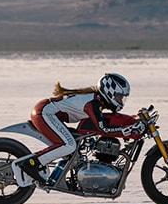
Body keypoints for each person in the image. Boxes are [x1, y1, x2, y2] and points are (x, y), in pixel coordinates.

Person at [11, 73, 144, 187]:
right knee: (68, 145)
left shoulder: (96, 101)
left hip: (47, 112)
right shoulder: (93, 103)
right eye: (119, 97)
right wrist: (128, 130)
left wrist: (132, 120)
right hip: (45, 113)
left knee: (73, 144)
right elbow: (104, 129)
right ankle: (30, 164)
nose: (120, 101)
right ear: (110, 91)